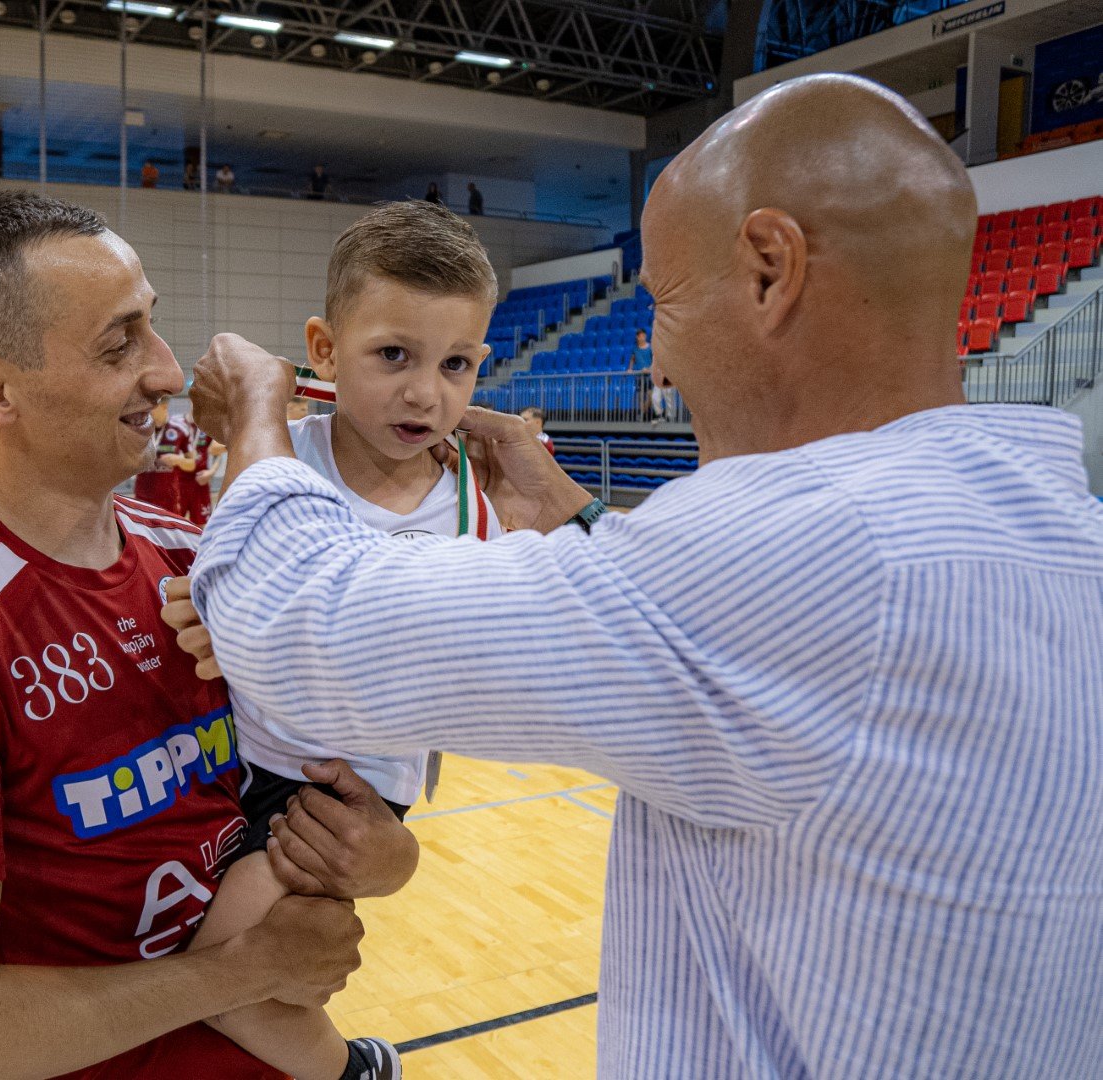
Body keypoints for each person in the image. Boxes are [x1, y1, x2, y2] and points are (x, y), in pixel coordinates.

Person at [182, 74, 1103, 1077]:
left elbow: (293, 625)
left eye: (662, 301)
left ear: (769, 270)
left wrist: (258, 413)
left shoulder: (798, 553)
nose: (656, 362)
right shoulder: (1064, 534)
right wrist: (577, 516)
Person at [0, 188, 416, 1080]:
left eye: (153, 325)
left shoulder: (196, 558)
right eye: (119, 343)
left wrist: (384, 855)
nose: (169, 371)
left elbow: (323, 787)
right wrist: (243, 973)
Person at [174, 200, 540, 1080]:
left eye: (456, 364)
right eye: (394, 356)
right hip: (226, 756)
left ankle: (354, 1071)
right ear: (325, 351)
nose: (426, 393)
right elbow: (212, 586)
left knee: (222, 976)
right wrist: (195, 609)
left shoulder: (478, 508)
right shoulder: (276, 456)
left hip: (343, 794)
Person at [131, 396, 196, 517]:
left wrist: (179, 460)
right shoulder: (138, 428)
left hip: (169, 498)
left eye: (152, 407)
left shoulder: (180, 428)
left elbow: (192, 464)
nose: (147, 410)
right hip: (142, 497)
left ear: (164, 407)